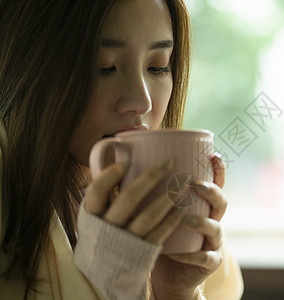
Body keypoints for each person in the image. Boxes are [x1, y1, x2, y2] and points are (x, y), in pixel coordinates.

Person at [0, 0, 244, 299]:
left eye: (157, 67)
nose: (142, 102)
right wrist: (110, 284)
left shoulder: (180, 225)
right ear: (32, 65)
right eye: (105, 67)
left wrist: (176, 291)